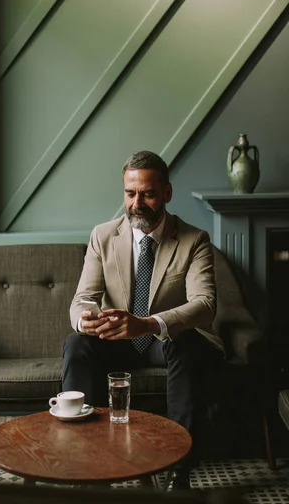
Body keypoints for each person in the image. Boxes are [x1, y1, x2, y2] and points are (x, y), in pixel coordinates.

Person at [62, 150, 225, 491]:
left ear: (166, 193)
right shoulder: (103, 236)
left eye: (147, 194)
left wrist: (148, 323)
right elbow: (82, 298)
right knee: (76, 343)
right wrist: (85, 321)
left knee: (186, 343)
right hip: (115, 340)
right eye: (130, 193)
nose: (137, 203)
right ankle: (87, 464)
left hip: (162, 342)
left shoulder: (194, 240)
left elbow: (205, 304)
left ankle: (179, 470)